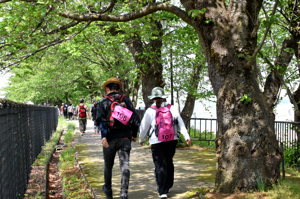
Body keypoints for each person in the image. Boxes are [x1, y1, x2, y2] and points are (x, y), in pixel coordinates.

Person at [139, 87, 191, 199]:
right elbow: (180, 123)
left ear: (153, 98)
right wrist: (186, 136)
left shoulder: (150, 111)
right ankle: (169, 184)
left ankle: (162, 191)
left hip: (157, 141)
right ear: (163, 97)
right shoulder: (172, 108)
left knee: (159, 165)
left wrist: (141, 139)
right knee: (168, 161)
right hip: (172, 139)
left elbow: (143, 127)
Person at [96, 77, 140, 199]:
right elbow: (135, 120)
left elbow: (102, 121)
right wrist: (134, 134)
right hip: (125, 138)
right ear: (118, 88)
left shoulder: (104, 102)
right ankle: (123, 193)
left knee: (108, 165)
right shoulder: (125, 100)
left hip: (109, 139)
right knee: (125, 165)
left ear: (107, 88)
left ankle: (108, 191)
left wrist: (104, 136)